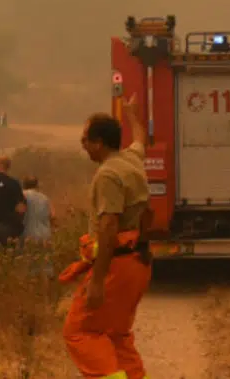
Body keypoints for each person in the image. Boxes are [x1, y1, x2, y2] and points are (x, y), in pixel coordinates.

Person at [60, 94, 153, 379]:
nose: (83, 146)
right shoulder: (132, 160)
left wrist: (97, 281)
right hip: (138, 260)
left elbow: (109, 226)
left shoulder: (108, 175)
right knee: (116, 333)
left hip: (116, 264)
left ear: (99, 143)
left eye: (85, 140)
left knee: (80, 331)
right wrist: (133, 116)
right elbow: (140, 140)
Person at [21, 175, 56, 278]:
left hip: (28, 234)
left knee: (31, 266)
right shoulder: (44, 198)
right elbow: (53, 216)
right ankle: (48, 289)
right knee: (47, 265)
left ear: (23, 185)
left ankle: (34, 289)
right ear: (37, 185)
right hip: (45, 235)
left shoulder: (21, 196)